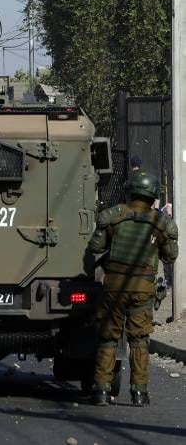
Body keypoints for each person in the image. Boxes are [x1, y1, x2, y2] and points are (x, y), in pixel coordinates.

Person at [88, 171, 178, 407]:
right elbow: (171, 257)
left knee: (108, 338)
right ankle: (139, 393)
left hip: (114, 289)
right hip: (142, 291)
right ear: (153, 195)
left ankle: (101, 391)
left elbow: (95, 246)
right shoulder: (160, 223)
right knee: (139, 340)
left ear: (130, 191)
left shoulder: (115, 217)